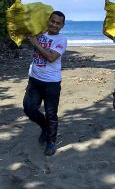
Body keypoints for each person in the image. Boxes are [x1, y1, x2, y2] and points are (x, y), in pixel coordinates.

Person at [23, 11, 67, 156]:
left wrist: (36, 44)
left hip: (51, 83)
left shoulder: (61, 40)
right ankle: (45, 127)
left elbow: (51, 57)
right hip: (34, 79)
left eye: (58, 23)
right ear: (48, 20)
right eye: (52, 21)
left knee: (51, 113)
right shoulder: (40, 33)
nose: (54, 25)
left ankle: (51, 142)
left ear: (62, 25)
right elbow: (25, 32)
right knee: (29, 108)